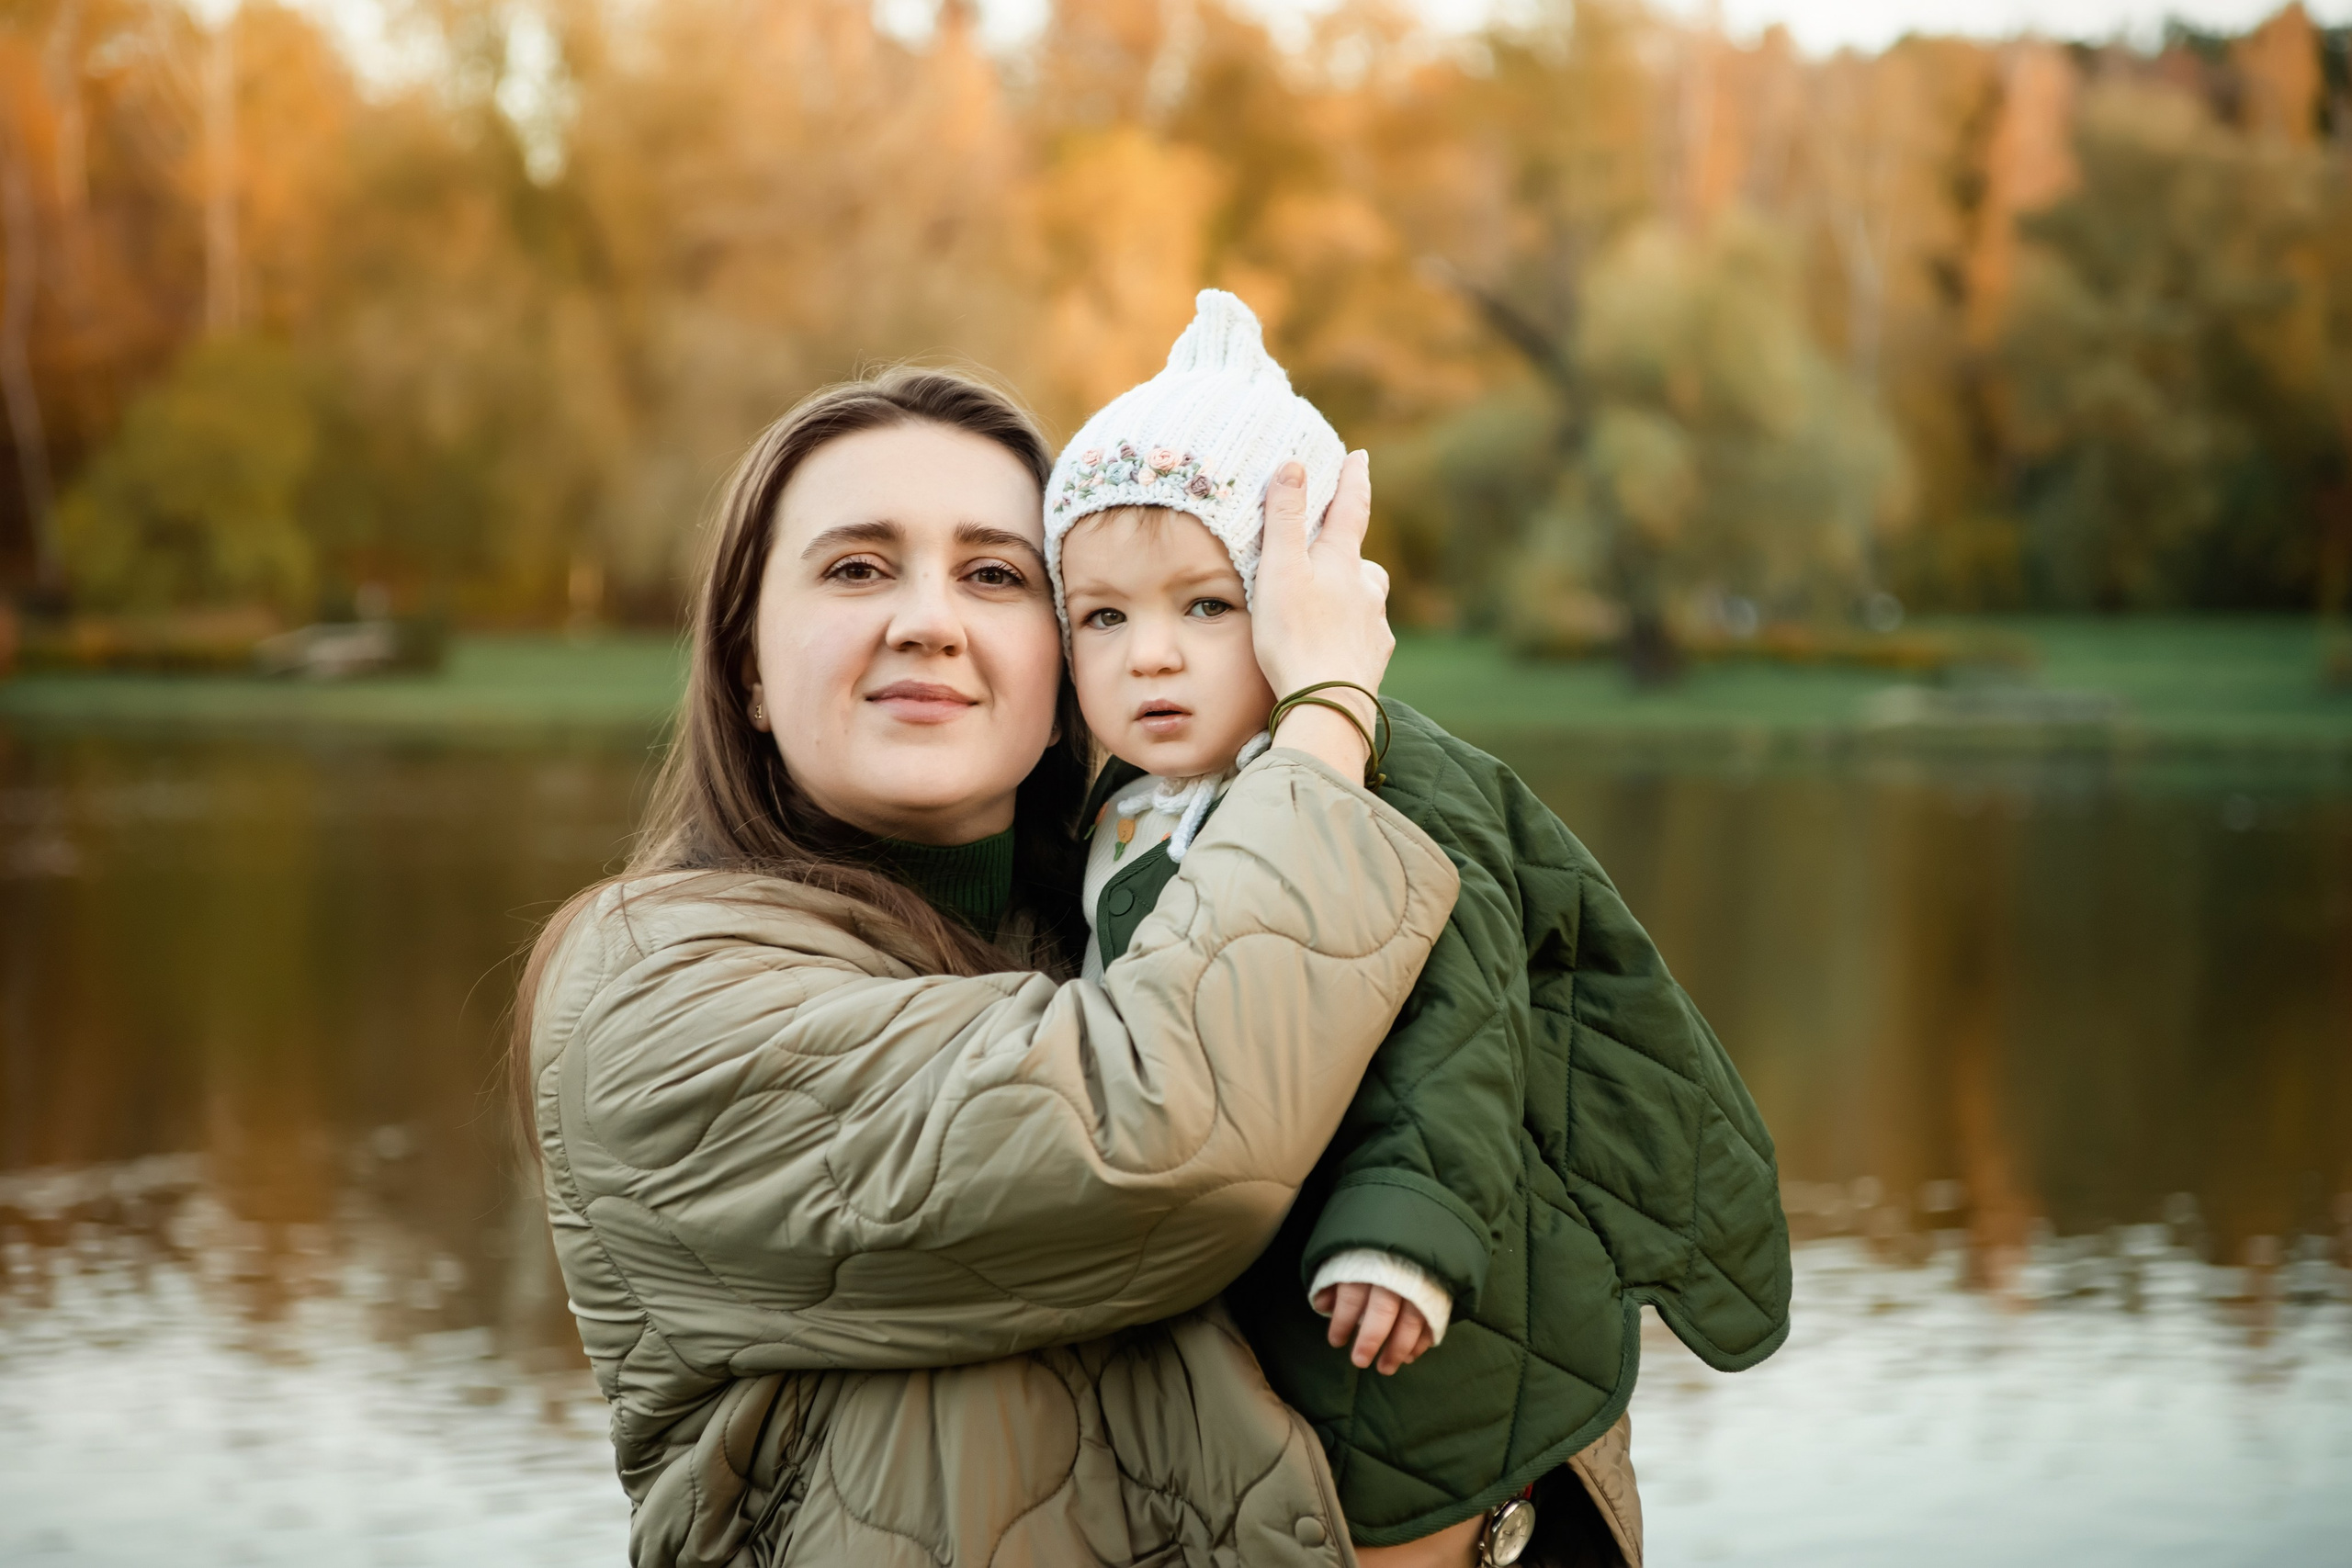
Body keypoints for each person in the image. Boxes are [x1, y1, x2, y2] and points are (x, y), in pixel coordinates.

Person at [514, 365, 1466, 1567]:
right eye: (858, 569)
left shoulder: (1135, 916)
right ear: (747, 666)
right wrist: (1324, 709)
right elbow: (1160, 1136)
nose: (929, 620)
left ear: (1066, 655)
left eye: (996, 575)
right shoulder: (654, 996)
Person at [1046, 292, 1792, 1567]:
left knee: (1400, 1477)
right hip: (1245, 1302)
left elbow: (1462, 1026)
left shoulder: (1390, 782)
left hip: (1404, 1298)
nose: (1148, 657)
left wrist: (1407, 1233)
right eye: (1103, 617)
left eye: (1207, 607)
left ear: (1298, 606)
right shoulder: (1119, 809)